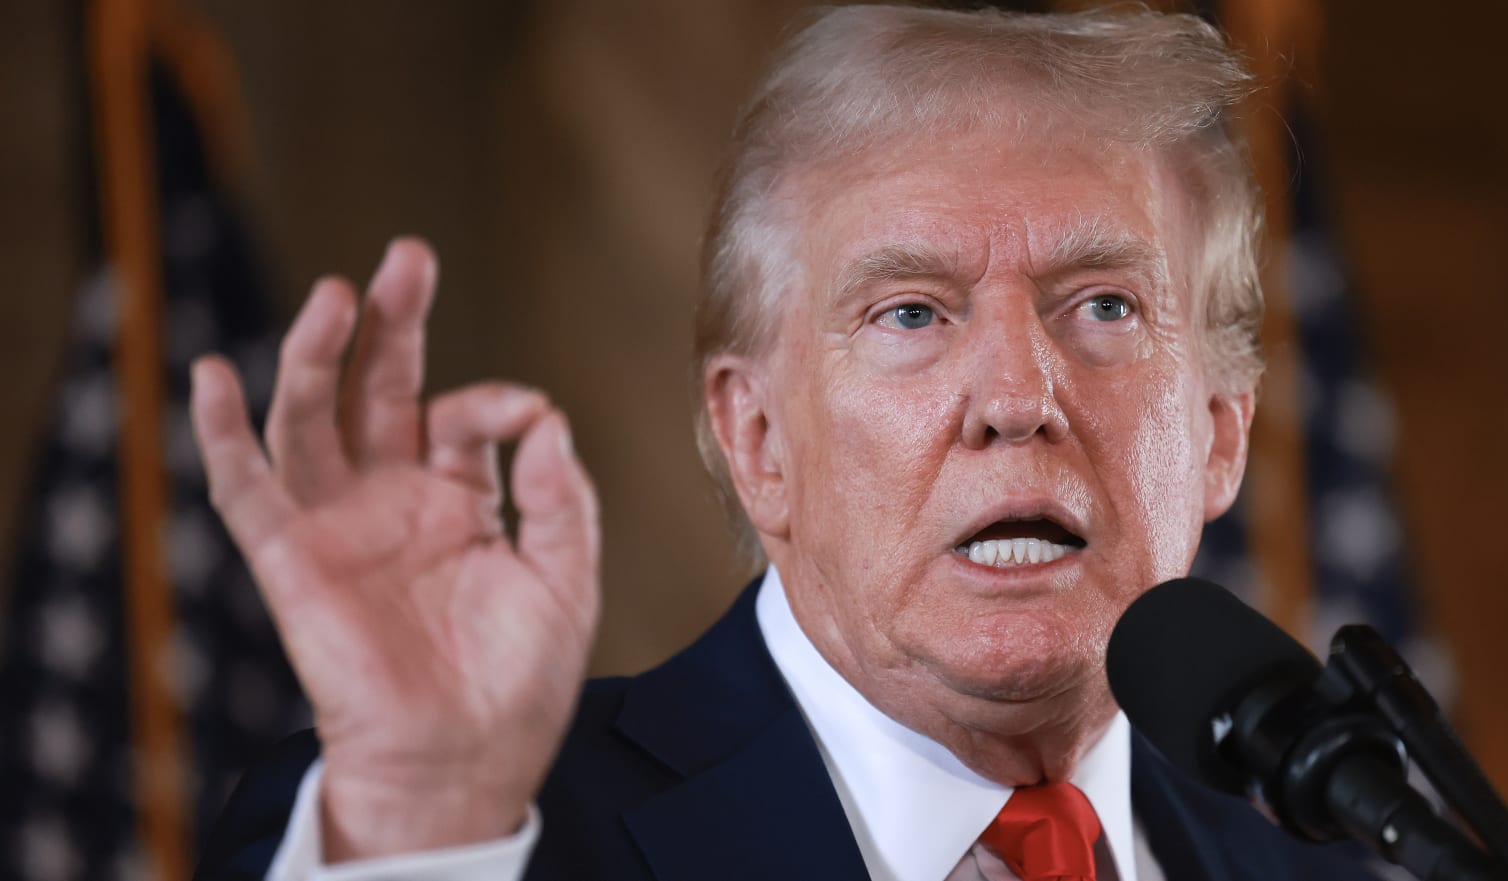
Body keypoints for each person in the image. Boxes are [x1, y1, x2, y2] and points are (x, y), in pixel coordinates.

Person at [190, 5, 1382, 880]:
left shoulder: (1320, 866)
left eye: (1104, 307)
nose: (1018, 395)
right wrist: (415, 821)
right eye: (910, 311)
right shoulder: (475, 830)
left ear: (1223, 432)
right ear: (756, 438)